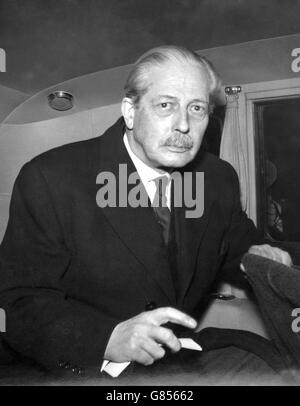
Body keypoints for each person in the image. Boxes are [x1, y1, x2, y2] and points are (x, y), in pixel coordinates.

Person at [0, 45, 292, 381]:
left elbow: (237, 246)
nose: (183, 125)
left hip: (181, 358)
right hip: (88, 369)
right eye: (165, 105)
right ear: (130, 111)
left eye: (196, 108)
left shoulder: (217, 179)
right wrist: (108, 338)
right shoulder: (52, 178)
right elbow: (17, 301)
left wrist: (256, 257)